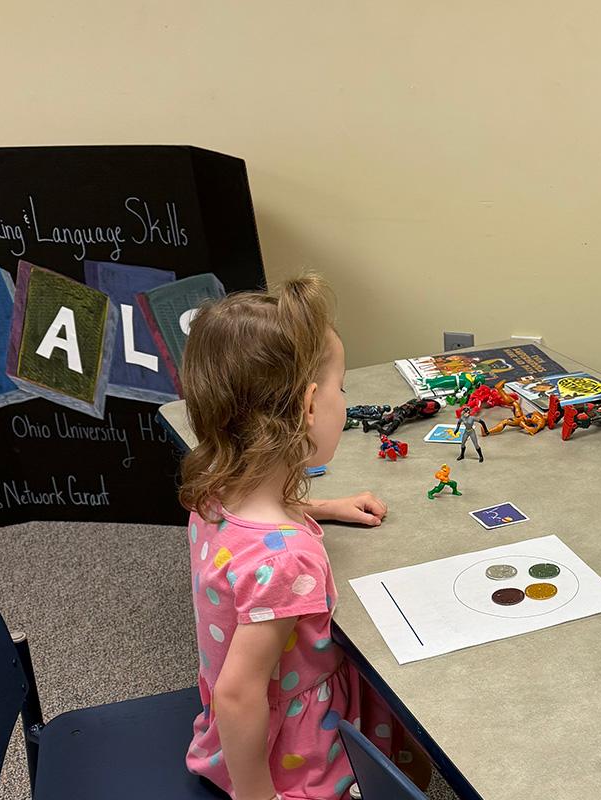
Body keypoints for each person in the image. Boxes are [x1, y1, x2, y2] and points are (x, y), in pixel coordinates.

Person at [178, 275, 429, 800]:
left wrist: (318, 507)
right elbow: (239, 694)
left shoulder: (215, 493)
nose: (344, 400)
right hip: (290, 753)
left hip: (238, 729)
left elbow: (253, 534)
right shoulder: (288, 562)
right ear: (311, 406)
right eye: (343, 388)